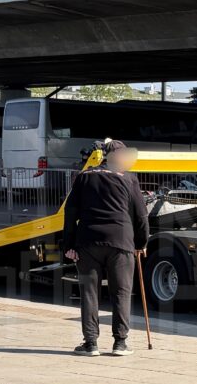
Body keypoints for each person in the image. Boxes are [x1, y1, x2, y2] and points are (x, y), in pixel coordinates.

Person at [62, 140, 149, 357]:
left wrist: (69, 245)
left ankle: (91, 343)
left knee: (89, 293)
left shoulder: (84, 177)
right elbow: (141, 216)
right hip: (121, 241)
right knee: (121, 292)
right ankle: (120, 343)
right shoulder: (129, 179)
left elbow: (71, 213)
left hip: (88, 241)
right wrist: (141, 243)